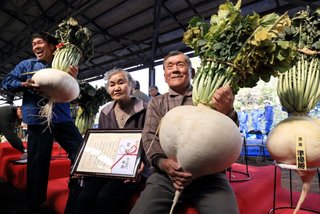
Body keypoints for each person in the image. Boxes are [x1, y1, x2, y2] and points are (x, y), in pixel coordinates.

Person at [130, 51, 239, 214]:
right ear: (165, 75)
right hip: (165, 177)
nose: (175, 70)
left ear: (192, 72)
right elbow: (149, 137)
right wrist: (163, 164)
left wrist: (227, 111)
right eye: (169, 66)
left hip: (208, 177)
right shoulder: (157, 103)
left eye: (181, 65)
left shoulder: (213, 99)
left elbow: (230, 136)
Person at [1, 32, 83, 214]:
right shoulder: (27, 65)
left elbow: (72, 90)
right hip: (38, 119)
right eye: (33, 44)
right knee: (38, 162)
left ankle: (78, 188)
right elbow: (6, 81)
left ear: (53, 46)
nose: (36, 46)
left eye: (40, 42)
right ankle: (35, 205)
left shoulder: (63, 65)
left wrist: (73, 78)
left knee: (80, 153)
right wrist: (24, 84)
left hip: (61, 117)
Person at [74, 68, 148, 214]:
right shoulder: (105, 111)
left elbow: (152, 141)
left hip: (134, 169)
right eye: (112, 84)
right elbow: (101, 143)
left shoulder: (146, 109)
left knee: (105, 197)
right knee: (85, 195)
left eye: (121, 82)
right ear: (108, 89)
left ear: (131, 86)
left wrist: (143, 162)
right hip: (108, 168)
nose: (116, 88)